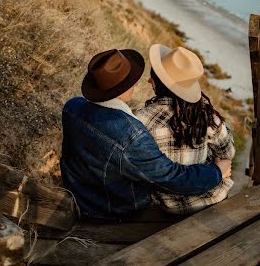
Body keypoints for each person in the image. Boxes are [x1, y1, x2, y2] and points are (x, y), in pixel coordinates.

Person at [60, 48, 232, 221]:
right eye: (132, 81)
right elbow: (171, 178)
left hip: (81, 196)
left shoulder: (72, 106)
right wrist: (216, 172)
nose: (137, 84)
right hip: (113, 211)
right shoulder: (131, 134)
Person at [135, 44, 235, 216]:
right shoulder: (207, 115)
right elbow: (228, 153)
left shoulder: (141, 120)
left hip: (170, 206)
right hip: (212, 197)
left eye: (152, 77)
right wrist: (219, 167)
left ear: (157, 83)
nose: (149, 81)